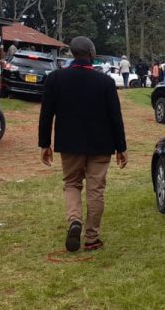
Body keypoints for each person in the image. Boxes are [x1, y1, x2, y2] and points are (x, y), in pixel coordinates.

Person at [38, 36, 128, 252]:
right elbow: (115, 117)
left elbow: (46, 114)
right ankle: (91, 237)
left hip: (69, 143)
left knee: (72, 183)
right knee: (96, 189)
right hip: (101, 144)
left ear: (72, 53)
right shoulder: (105, 82)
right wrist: (121, 147)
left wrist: (44, 143)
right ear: (91, 53)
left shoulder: (56, 78)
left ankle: (75, 220)